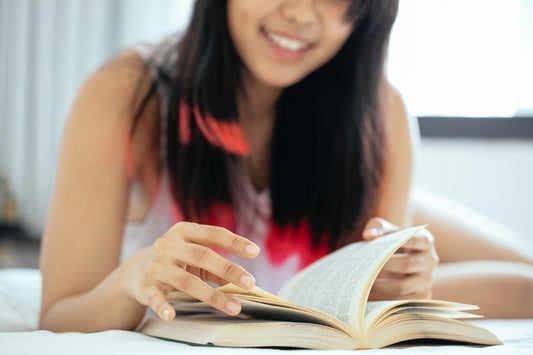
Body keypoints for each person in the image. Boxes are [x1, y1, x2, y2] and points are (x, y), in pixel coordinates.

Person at [39, 0, 533, 333]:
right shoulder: (126, 95)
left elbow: (372, 302)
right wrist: (134, 277)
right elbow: (58, 315)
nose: (299, 13)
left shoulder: (381, 117)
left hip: (323, 214)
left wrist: (402, 288)